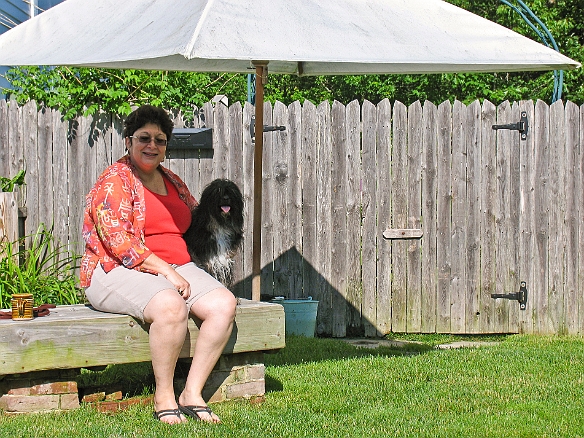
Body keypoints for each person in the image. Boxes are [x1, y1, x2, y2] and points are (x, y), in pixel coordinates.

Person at [80, 105, 237, 425]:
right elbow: (118, 241)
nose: (152, 145)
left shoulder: (172, 181)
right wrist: (166, 271)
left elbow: (196, 217)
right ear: (128, 141)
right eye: (144, 138)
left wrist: (225, 212)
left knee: (224, 304)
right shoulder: (114, 181)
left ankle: (191, 393)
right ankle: (163, 395)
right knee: (170, 305)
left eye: (160, 140)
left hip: (176, 265)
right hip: (115, 269)